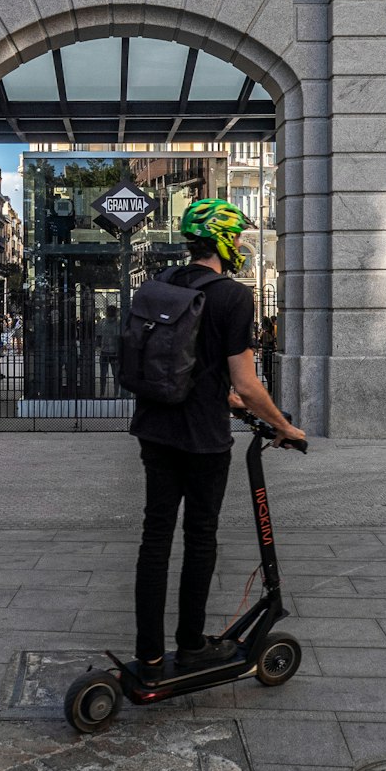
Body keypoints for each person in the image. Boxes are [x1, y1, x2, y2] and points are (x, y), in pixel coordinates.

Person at [130, 198, 304, 686]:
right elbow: (247, 384)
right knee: (200, 536)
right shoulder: (232, 296)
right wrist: (285, 428)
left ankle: (147, 656)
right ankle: (189, 646)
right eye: (238, 237)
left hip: (154, 426)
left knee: (155, 538)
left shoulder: (159, 286)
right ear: (225, 243)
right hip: (203, 437)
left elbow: (185, 360)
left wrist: (221, 394)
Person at [96, 304, 121, 397]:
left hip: (105, 351)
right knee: (115, 375)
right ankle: (116, 393)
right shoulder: (119, 324)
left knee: (103, 375)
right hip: (114, 352)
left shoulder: (102, 322)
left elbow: (98, 337)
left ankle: (103, 393)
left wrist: (98, 346)